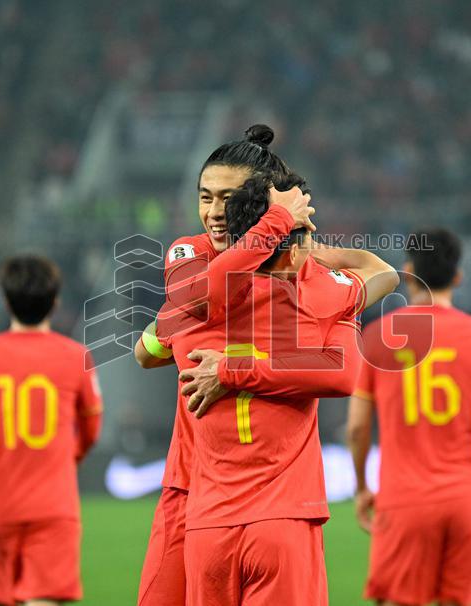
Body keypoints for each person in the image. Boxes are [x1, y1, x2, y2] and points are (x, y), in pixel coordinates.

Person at [167, 170, 397, 605]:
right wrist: (310, 246)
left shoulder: (189, 303)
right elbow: (383, 276)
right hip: (284, 517)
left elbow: (149, 348)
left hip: (208, 523)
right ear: (295, 245)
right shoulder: (325, 296)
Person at [133, 124, 316, 606]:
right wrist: (277, 222)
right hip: (191, 484)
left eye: (228, 199)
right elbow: (190, 304)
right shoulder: (188, 252)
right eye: (205, 197)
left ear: (257, 202)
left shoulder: (293, 270)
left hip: (269, 497)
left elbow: (376, 278)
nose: (214, 212)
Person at [347, 228, 471, 606]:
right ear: (458, 277)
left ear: (409, 272)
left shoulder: (377, 337)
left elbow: (358, 427)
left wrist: (361, 486)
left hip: (404, 498)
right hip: (464, 498)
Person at [0, 255, 103, 606]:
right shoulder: (76, 357)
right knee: (42, 599)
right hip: (54, 506)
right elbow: (92, 427)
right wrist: (70, 458)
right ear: (55, 302)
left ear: (6, 301)